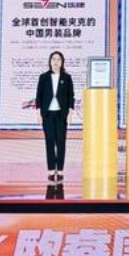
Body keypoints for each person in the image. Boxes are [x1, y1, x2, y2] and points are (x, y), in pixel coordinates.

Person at [35, 51, 75, 183]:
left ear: (62, 62)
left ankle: (61, 170)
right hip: (47, 115)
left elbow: (71, 97)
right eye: (53, 59)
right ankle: (51, 170)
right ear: (50, 61)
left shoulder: (67, 78)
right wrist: (38, 115)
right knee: (50, 142)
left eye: (58, 59)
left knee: (61, 142)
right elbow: (39, 97)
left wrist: (70, 114)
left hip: (61, 114)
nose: (56, 62)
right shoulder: (43, 77)